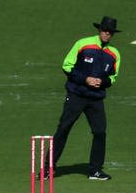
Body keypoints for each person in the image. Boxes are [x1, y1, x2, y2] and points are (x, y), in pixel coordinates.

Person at [47, 16, 122, 181]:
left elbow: (113, 77)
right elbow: (67, 65)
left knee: (100, 132)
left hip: (95, 99)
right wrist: (86, 79)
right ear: (99, 30)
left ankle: (95, 170)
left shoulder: (114, 54)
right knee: (64, 128)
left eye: (110, 32)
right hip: (76, 94)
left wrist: (102, 81)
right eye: (104, 31)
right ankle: (48, 168)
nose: (106, 34)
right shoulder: (83, 44)